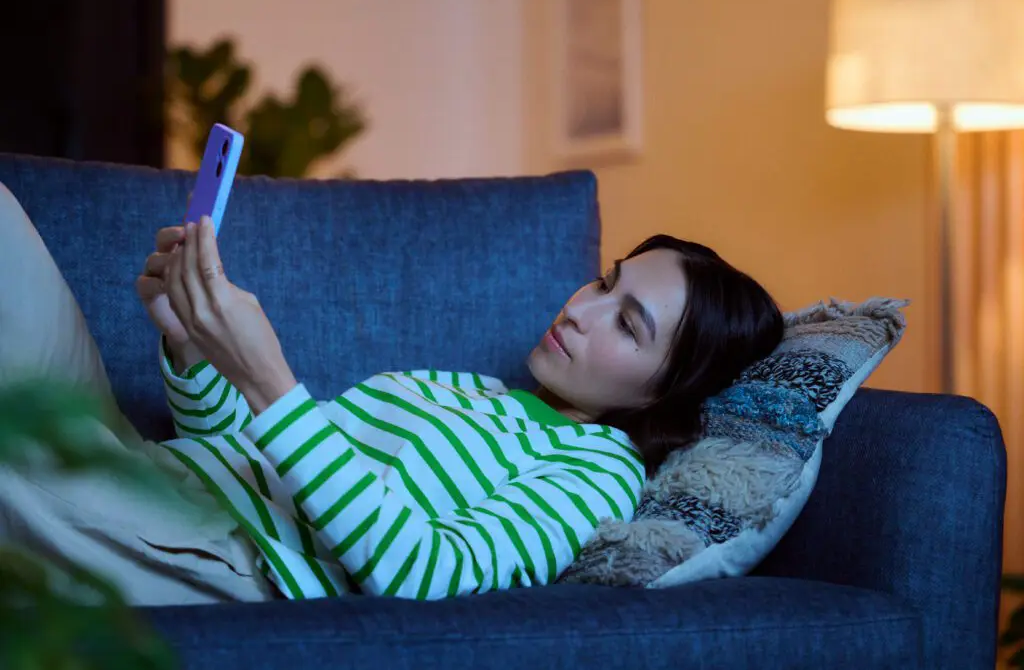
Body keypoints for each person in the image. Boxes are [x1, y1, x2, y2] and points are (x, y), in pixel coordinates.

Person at [0, 182, 783, 606]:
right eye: (604, 282)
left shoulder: (597, 474)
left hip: (209, 551)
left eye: (628, 323)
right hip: (154, 472)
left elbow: (425, 576)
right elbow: (240, 449)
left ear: (666, 395)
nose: (580, 309)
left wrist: (272, 381)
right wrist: (191, 343)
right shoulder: (470, 389)